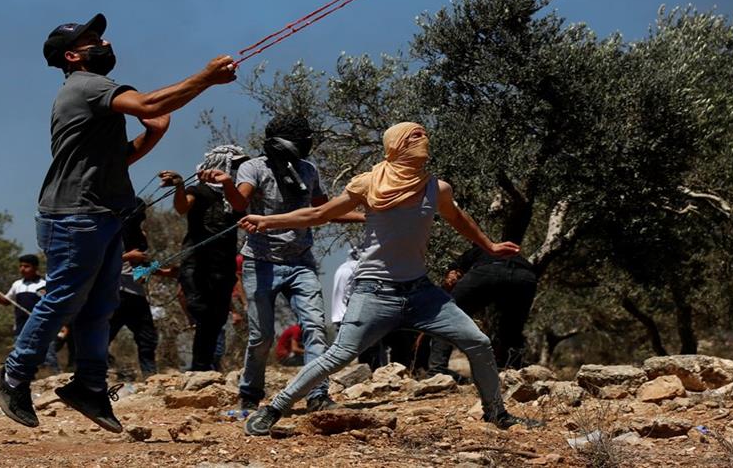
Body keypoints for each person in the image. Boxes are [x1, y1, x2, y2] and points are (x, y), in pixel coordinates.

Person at [0, 12, 236, 432]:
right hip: (75, 216)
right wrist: (206, 77)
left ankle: (89, 386)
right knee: (64, 298)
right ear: (72, 55)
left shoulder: (88, 91)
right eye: (92, 40)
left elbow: (119, 156)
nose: (103, 43)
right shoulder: (87, 85)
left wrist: (153, 135)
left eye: (101, 36)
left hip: (98, 216)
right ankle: (12, 376)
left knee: (99, 307)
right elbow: (149, 104)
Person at [240, 122, 542, 436]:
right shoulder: (368, 184)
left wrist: (489, 246)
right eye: (414, 134)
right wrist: (268, 220)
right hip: (374, 291)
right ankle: (274, 408)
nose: (422, 138)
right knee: (340, 354)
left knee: (478, 342)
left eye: (424, 133)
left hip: (421, 293)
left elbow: (457, 218)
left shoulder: (436, 188)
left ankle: (497, 414)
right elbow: (318, 215)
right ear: (396, 144)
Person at [231, 115, 364, 413]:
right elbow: (240, 204)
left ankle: (318, 394)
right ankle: (250, 392)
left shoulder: (308, 170)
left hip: (301, 262)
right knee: (261, 335)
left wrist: (364, 216)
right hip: (260, 262)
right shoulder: (252, 168)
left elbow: (323, 210)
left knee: (315, 327)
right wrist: (227, 182)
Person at [161, 144, 249, 371]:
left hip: (223, 266)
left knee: (216, 319)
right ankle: (201, 366)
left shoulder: (236, 196)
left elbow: (242, 208)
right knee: (201, 310)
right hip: (197, 264)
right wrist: (180, 186)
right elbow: (182, 207)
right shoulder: (198, 190)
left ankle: (202, 367)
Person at [429, 244, 539, 380]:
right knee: (513, 328)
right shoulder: (517, 256)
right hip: (525, 277)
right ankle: (512, 374)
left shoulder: (477, 250)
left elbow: (452, 278)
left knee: (447, 316)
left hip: (487, 272)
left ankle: (437, 372)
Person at [0, 255, 61, 371]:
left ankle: (55, 375)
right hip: (21, 326)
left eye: (26, 266)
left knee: (48, 353)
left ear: (35, 268)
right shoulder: (17, 285)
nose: (22, 269)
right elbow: (5, 301)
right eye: (21, 266)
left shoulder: (43, 285)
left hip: (42, 325)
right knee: (20, 352)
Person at [107, 204, 159, 378]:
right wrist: (127, 257)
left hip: (135, 294)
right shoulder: (110, 234)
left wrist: (154, 268)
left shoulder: (140, 237)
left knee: (147, 337)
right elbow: (98, 260)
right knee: (103, 335)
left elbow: (140, 272)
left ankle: (150, 374)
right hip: (114, 292)